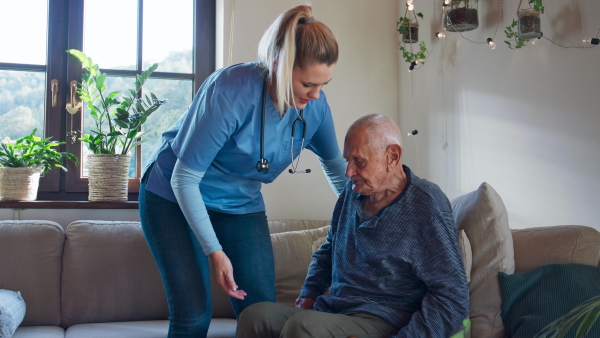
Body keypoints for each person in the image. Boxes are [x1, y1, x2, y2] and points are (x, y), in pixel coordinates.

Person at [138, 5, 348, 337]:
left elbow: (337, 169)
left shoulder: (316, 107)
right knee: (194, 314)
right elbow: (184, 178)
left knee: (261, 313)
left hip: (240, 205)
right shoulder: (231, 90)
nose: (316, 95)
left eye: (324, 84)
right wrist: (215, 251)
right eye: (308, 83)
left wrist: (365, 216)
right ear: (278, 66)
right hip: (172, 197)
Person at [236, 114, 470, 338]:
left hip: (386, 319)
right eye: (348, 161)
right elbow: (329, 249)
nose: (348, 172)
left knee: (304, 328)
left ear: (393, 156)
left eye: (359, 161)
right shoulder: (352, 192)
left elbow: (452, 298)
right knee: (255, 316)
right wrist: (310, 291)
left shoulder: (426, 203)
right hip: (336, 310)